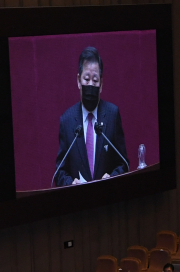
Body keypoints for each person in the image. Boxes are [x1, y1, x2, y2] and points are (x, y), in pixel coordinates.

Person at [54, 47, 128, 187]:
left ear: (101, 84)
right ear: (78, 80)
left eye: (95, 80)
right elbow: (60, 171)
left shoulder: (112, 115)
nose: (90, 85)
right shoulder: (67, 121)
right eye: (86, 79)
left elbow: (123, 164)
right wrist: (70, 183)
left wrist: (113, 177)